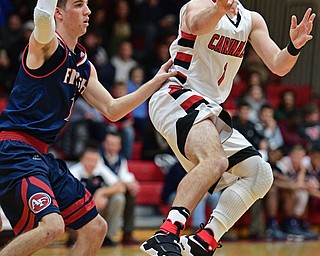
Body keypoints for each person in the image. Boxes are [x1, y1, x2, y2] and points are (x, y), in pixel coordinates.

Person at [0, 0, 176, 255]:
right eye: (78, 4)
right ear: (58, 13)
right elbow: (41, 14)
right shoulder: (46, 45)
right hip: (16, 149)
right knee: (51, 226)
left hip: (42, 155)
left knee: (96, 227)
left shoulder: (84, 64)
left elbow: (113, 109)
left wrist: (155, 82)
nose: (88, 11)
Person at [140, 1, 316, 255]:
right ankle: (166, 233)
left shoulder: (251, 19)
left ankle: (206, 239)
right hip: (177, 93)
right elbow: (197, 24)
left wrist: (294, 46)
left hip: (209, 107)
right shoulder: (197, 5)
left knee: (260, 174)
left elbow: (279, 65)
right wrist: (219, 9)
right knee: (215, 161)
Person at [69, 147, 126, 246]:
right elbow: (68, 197)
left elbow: (121, 187)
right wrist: (91, 202)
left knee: (118, 198)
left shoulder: (101, 168)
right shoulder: (73, 172)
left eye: (95, 161)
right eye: (89, 160)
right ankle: (75, 237)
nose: (92, 164)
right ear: (81, 159)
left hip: (98, 209)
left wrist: (101, 192)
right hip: (79, 209)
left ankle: (108, 237)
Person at [101, 130, 141, 245]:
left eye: (114, 144)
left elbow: (125, 175)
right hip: (100, 192)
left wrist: (133, 183)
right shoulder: (97, 156)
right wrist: (126, 183)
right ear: (104, 143)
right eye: (109, 144)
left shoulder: (120, 159)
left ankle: (127, 233)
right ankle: (106, 236)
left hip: (114, 191)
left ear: (119, 147)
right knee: (119, 197)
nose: (111, 147)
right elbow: (107, 177)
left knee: (130, 193)